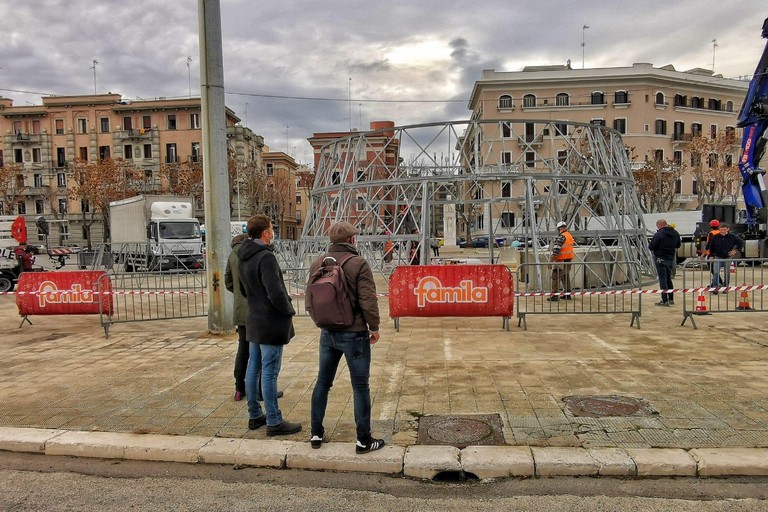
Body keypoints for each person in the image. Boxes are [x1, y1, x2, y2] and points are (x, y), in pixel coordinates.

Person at [308, 221, 385, 454]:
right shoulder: (358, 263)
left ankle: (316, 433)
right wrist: (374, 326)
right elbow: (368, 299)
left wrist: (321, 322)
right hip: (354, 334)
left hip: (327, 333)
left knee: (323, 382)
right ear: (352, 240)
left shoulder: (318, 263)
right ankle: (363, 440)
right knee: (360, 386)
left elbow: (310, 299)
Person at [238, 215, 300, 436]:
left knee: (253, 368)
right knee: (270, 372)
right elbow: (275, 292)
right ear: (265, 232)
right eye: (272, 228)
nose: (273, 231)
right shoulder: (265, 257)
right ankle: (274, 420)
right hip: (270, 321)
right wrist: (288, 311)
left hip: (253, 318)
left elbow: (244, 290)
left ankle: (255, 415)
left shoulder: (243, 255)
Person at [224, 234, 250, 401]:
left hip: (240, 311)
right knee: (260, 352)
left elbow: (227, 281)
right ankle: (261, 388)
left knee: (243, 350)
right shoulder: (254, 253)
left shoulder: (233, 254)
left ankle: (239, 388)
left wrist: (239, 295)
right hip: (257, 311)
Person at [648, 218, 681, 306]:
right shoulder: (675, 233)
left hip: (660, 258)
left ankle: (664, 300)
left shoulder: (659, 234)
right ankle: (671, 299)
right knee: (668, 279)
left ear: (658, 225)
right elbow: (678, 245)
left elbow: (651, 247)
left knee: (662, 279)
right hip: (670, 258)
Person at [707, 224, 744, 294]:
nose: (722, 231)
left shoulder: (732, 236)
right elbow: (711, 247)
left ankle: (725, 287)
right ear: (719, 230)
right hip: (718, 257)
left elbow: (741, 242)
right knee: (716, 272)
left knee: (727, 273)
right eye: (721, 230)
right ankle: (715, 287)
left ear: (727, 229)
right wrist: (711, 255)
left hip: (728, 257)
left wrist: (735, 250)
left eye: (724, 230)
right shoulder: (715, 237)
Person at [547, 221, 575, 302]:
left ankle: (555, 295)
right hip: (568, 260)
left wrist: (550, 262)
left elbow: (556, 251)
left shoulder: (561, 237)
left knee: (555, 277)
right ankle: (567, 294)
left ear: (559, 228)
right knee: (565, 276)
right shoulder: (569, 235)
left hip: (561, 260)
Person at [703, 219, 721, 286]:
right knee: (716, 271)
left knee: (713, 271)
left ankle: (718, 283)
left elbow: (708, 244)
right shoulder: (720, 233)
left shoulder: (711, 233)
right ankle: (715, 283)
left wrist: (703, 254)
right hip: (718, 254)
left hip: (711, 255)